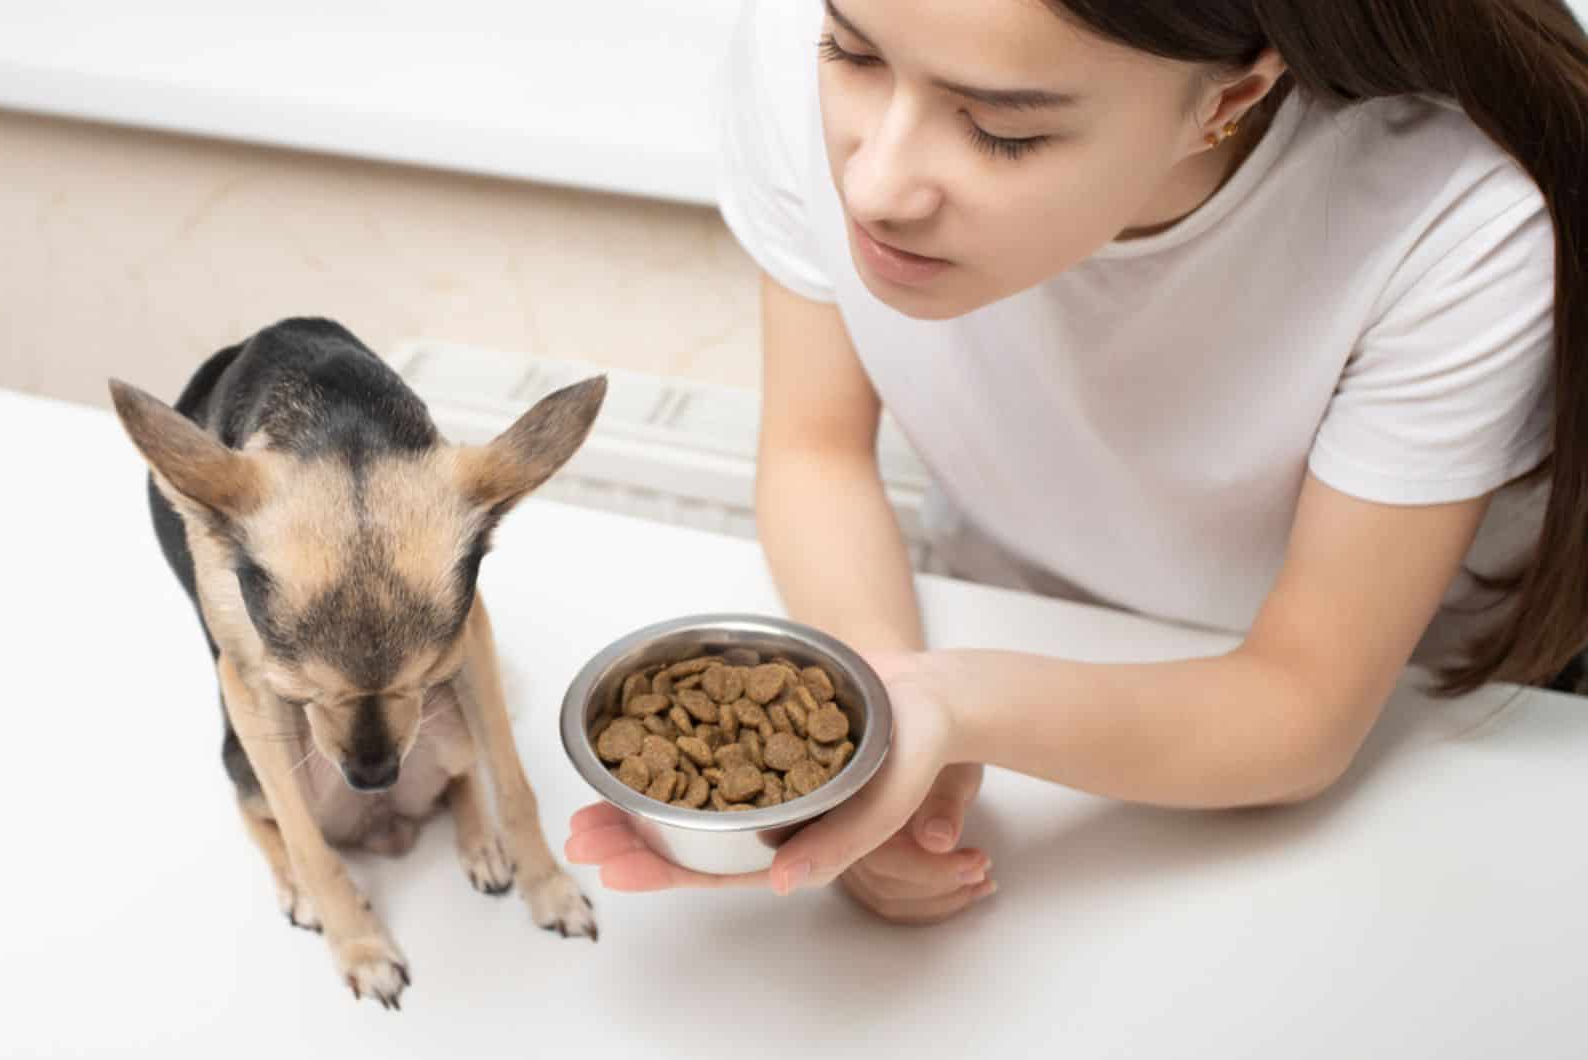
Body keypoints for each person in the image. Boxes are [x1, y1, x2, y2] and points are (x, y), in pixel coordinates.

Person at [567, 0, 1588, 924]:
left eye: (1002, 130)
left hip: (1418, 765)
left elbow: (1303, 705)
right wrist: (880, 731)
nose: (873, 185)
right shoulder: (813, 36)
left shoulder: (1459, 218)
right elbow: (816, 452)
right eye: (852, 54)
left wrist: (953, 709)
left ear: (1227, 96)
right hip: (1009, 623)